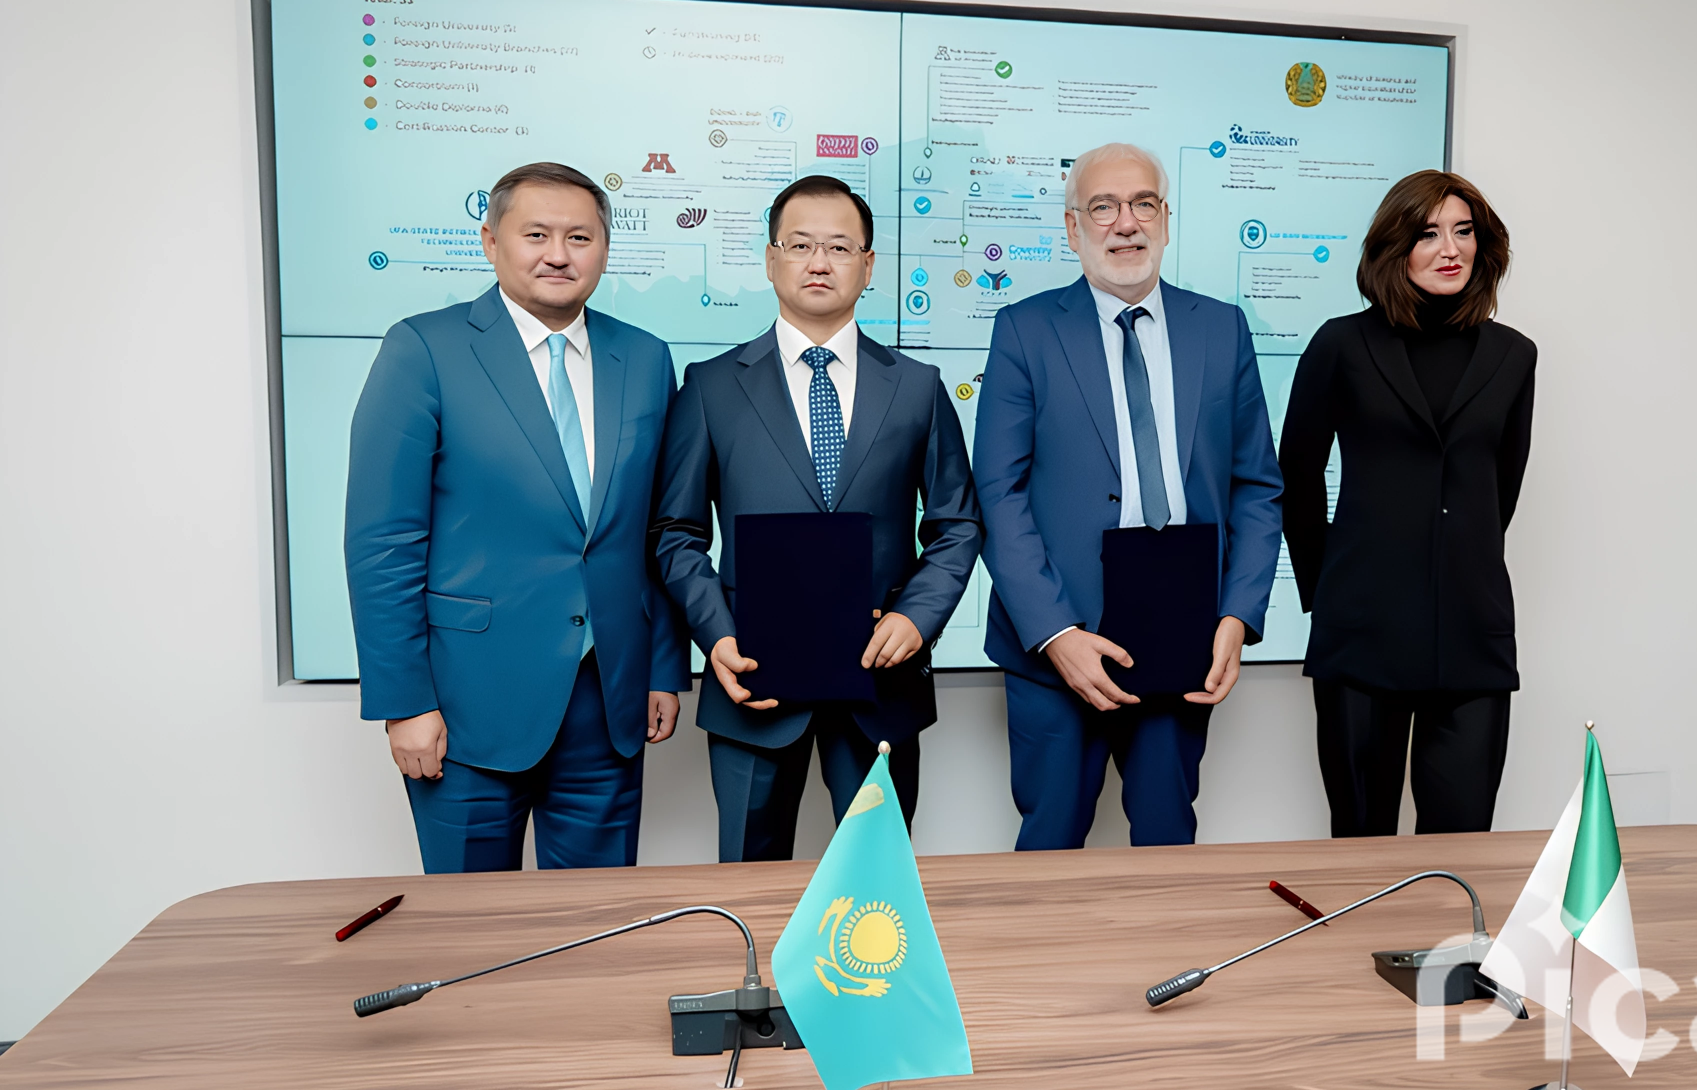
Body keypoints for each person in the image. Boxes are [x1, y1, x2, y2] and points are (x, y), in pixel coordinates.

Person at [345, 162, 688, 872]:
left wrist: (663, 667)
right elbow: (383, 542)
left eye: (579, 237)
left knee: (597, 920)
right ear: (491, 242)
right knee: (473, 923)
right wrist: (404, 702)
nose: (558, 254)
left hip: (609, 700)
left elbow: (655, 529)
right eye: (536, 234)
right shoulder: (424, 349)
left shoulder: (645, 357)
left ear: (604, 248)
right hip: (467, 705)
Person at [653, 175, 981, 863]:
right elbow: (677, 533)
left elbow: (956, 525)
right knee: (749, 876)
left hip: (880, 679)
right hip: (752, 676)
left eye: (839, 246)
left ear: (868, 264)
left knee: (876, 883)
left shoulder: (918, 387)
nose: (819, 262)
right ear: (771, 260)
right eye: (800, 245)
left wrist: (916, 618)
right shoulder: (711, 386)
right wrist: (716, 635)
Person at [975, 142, 1284, 851]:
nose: (1126, 223)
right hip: (1056, 641)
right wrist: (1056, 634)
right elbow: (998, 492)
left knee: (1168, 843)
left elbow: (1258, 488)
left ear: (1165, 219)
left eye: (1143, 204)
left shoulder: (1222, 328)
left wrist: (1237, 616)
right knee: (1050, 846)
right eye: (1103, 207)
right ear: (1072, 227)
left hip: (1184, 631)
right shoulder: (1024, 329)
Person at [1278, 169, 1535, 837]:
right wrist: (1327, 590)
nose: (1450, 249)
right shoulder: (1341, 344)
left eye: (1463, 231)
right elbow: (1297, 476)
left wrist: (1458, 562)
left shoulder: (1514, 356)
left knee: (1461, 850)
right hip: (1362, 631)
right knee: (1360, 844)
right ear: (1396, 247)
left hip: (1472, 636)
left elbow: (1499, 492)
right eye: (1428, 234)